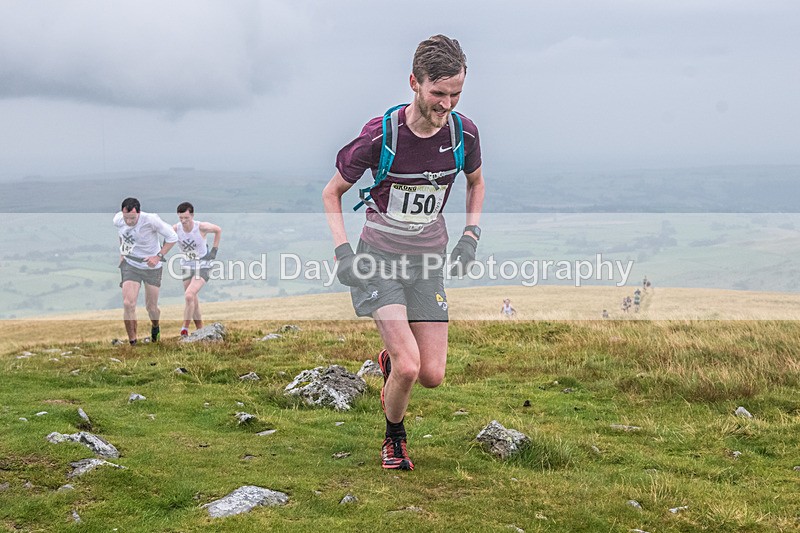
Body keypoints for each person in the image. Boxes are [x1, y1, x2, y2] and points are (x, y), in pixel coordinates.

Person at [322, 35, 484, 471]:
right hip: (379, 259)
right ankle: (394, 437)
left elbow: (476, 182)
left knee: (432, 374)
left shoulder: (464, 133)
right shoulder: (381, 136)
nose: (446, 104)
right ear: (414, 82)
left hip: (428, 261)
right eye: (438, 93)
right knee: (410, 367)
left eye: (456, 94)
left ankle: (391, 360)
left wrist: (471, 234)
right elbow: (332, 192)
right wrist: (343, 252)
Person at [113, 198, 178, 345]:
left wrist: (158, 256)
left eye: (132, 218)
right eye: (126, 217)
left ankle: (155, 327)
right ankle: (133, 343)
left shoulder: (151, 220)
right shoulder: (118, 219)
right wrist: (122, 253)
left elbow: (172, 237)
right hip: (131, 264)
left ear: (139, 213)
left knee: (151, 307)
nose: (129, 221)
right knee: (128, 304)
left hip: (151, 267)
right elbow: (121, 235)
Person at [173, 202, 221, 337]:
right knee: (192, 299)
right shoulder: (176, 229)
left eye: (186, 218)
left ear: (192, 215)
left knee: (189, 295)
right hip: (187, 265)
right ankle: (201, 330)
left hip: (203, 265)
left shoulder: (201, 227)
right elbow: (165, 236)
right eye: (181, 218)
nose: (183, 221)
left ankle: (184, 329)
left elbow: (218, 230)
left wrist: (214, 250)